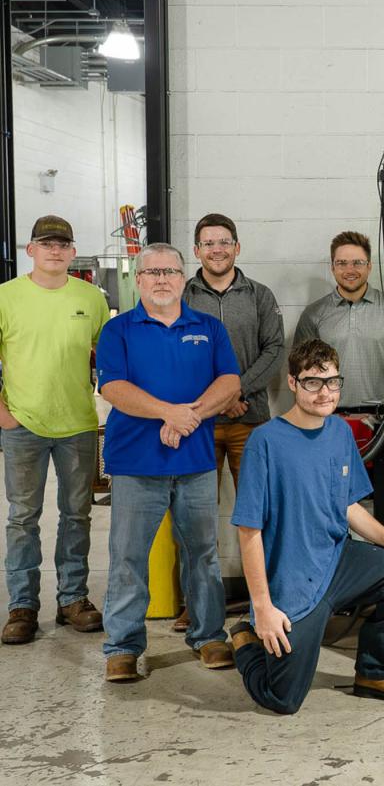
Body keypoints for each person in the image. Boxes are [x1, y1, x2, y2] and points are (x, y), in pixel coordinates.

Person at [229, 338, 384, 714]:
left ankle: (375, 673)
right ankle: (245, 641)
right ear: (293, 383)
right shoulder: (265, 442)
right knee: (283, 700)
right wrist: (263, 608)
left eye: (332, 382)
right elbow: (249, 531)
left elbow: (348, 506)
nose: (325, 393)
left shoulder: (339, 432)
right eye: (313, 382)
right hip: (293, 579)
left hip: (338, 561)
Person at [95, 243, 242, 682]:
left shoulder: (209, 328)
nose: (162, 279)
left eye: (171, 272)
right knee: (128, 556)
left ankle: (208, 635)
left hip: (195, 462)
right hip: (136, 463)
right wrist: (167, 413)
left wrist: (187, 416)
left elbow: (230, 382)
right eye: (153, 272)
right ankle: (123, 647)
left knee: (203, 553)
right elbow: (113, 388)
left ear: (183, 279)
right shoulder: (118, 330)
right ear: (139, 280)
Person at [0, 216, 110, 645]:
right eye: (46, 244)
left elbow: (110, 355)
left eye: (63, 244)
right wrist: (3, 414)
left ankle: (72, 599)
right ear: (30, 250)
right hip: (22, 424)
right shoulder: (6, 296)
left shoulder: (91, 298)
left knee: (77, 514)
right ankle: (22, 606)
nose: (55, 250)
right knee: (22, 517)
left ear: (72, 252)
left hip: (77, 424)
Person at [177, 212, 285, 632]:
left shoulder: (259, 295)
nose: (217, 249)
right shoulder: (182, 296)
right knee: (195, 519)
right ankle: (197, 605)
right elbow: (176, 357)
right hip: (197, 425)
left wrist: (237, 392)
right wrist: (214, 402)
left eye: (224, 241)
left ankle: (271, 601)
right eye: (208, 243)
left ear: (237, 247)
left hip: (249, 421)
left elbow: (274, 350)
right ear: (196, 250)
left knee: (261, 514)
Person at [295, 231, 384, 410]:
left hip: (383, 415)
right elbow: (301, 372)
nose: (350, 270)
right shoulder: (313, 314)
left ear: (369, 266)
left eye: (358, 263)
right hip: (329, 414)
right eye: (342, 263)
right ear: (332, 267)